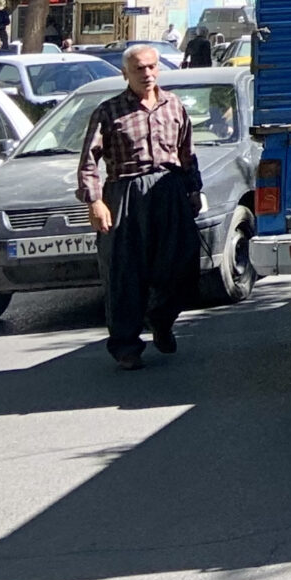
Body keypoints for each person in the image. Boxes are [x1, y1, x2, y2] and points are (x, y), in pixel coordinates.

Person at [77, 45, 201, 370]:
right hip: (125, 193)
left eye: (150, 67)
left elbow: (187, 152)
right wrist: (95, 202)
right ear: (125, 74)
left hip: (168, 190)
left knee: (182, 265)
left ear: (158, 68)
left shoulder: (174, 105)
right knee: (124, 272)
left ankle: (161, 319)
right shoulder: (108, 111)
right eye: (138, 69)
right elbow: (89, 161)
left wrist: (193, 190)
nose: (146, 74)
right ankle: (126, 346)